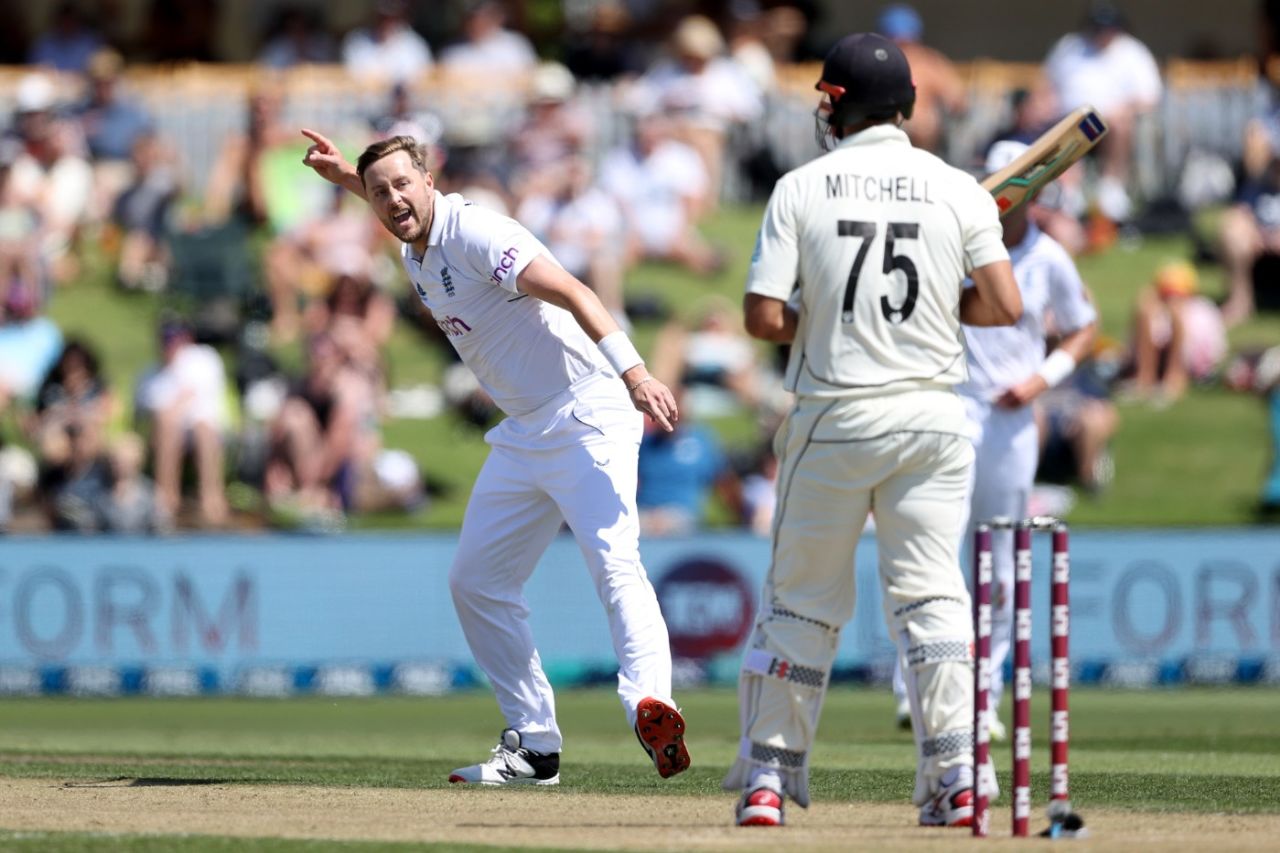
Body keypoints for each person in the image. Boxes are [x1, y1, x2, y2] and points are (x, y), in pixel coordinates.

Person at [300, 129, 690, 785]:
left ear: (430, 177)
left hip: (589, 408)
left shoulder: (477, 232)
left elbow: (573, 290)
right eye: (379, 191)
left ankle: (652, 703)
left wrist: (637, 374)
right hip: (523, 429)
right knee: (476, 580)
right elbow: (391, 202)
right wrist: (347, 176)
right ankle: (535, 747)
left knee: (613, 558)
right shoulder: (410, 247)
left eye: (403, 182)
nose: (394, 198)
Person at [722, 33, 1022, 829]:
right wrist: (934, 302)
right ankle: (959, 777)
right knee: (932, 598)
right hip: (934, 418)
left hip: (836, 414)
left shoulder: (800, 186)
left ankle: (768, 779)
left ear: (833, 105)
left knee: (802, 602)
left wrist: (829, 310)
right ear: (911, 107)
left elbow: (760, 316)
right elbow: (1004, 306)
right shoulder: (958, 189)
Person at [891, 140, 1098, 739]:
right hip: (946, 407)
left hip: (1009, 419)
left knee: (1001, 562)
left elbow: (1084, 330)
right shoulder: (954, 245)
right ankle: (917, 689)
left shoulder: (1050, 257)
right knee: (931, 551)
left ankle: (981, 698)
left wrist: (1040, 381)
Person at [1126, 261, 1226, 404]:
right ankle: (1144, 378)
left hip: (1190, 362)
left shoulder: (1199, 311)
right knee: (1146, 310)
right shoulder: (1151, 308)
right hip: (1161, 355)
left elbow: (1208, 351)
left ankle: (1174, 379)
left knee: (1176, 314)